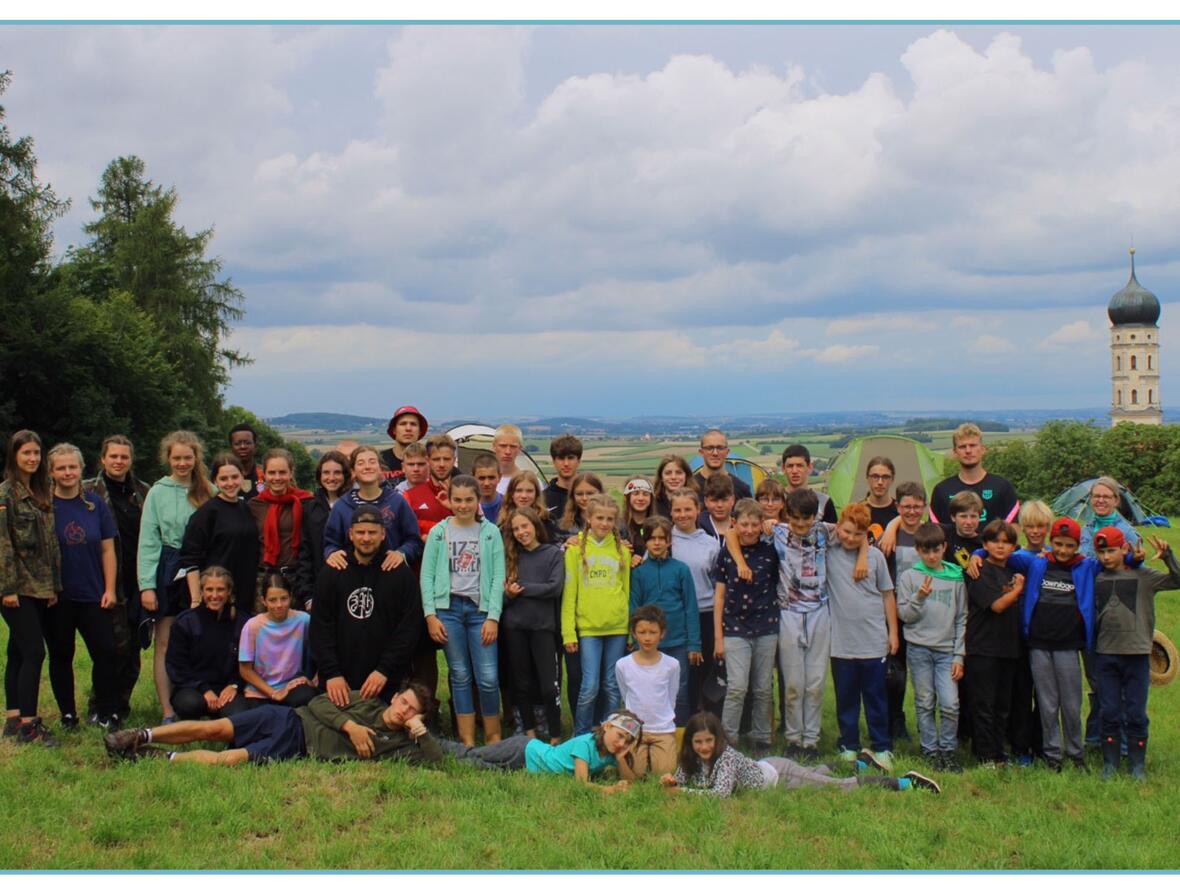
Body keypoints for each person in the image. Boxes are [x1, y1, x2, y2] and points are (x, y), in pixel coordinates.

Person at [105, 682, 441, 766]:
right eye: (404, 702)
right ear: (396, 696)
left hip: (296, 744)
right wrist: (349, 727)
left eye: (412, 712)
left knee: (230, 759)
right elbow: (318, 702)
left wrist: (421, 732)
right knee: (217, 728)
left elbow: (434, 760)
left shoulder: (397, 743)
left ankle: (160, 757)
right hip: (287, 717)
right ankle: (139, 735)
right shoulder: (365, 700)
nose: (403, 711)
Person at [992, 517, 1098, 772]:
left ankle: (1075, 753)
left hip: (1069, 645)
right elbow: (1000, 552)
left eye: (1069, 546)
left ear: (1077, 546)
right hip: (1039, 644)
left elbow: (1113, 561)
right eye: (1058, 544)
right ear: (1051, 542)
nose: (1063, 550)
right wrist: (976, 554)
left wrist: (1133, 558)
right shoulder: (1037, 562)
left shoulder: (1086, 566)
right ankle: (1052, 754)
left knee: (1071, 704)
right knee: (1047, 703)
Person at [660, 712, 940, 796]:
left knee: (837, 789)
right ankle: (862, 762)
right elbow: (681, 779)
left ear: (718, 739)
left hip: (779, 775)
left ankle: (906, 782)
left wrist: (681, 793)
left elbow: (720, 796)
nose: (704, 747)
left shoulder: (727, 756)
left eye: (709, 740)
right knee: (816, 775)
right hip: (767, 767)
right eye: (698, 742)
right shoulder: (693, 759)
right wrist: (671, 781)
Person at [420, 475, 506, 746]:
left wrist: (493, 617)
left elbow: (497, 579)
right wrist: (430, 615)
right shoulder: (439, 532)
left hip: (479, 611)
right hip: (449, 610)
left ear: (477, 501)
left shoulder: (490, 532)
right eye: (457, 500)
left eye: (469, 500)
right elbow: (427, 576)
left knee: (488, 677)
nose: (463, 505)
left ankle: (493, 735)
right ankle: (466, 738)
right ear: (450, 500)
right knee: (459, 673)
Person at [312, 505, 423, 707]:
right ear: (350, 534)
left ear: (383, 534)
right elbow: (320, 627)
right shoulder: (332, 571)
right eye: (360, 532)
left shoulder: (399, 573)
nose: (366, 538)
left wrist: (384, 671)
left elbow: (409, 628)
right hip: (340, 682)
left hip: (386, 680)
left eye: (372, 532)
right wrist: (332, 673)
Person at [1091, 527, 1180, 780]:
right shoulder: (1097, 578)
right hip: (1106, 655)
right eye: (1101, 552)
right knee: (1108, 712)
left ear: (1125, 549)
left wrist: (1168, 556)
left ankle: (1137, 765)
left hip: (1137, 655)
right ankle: (1110, 763)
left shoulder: (1145, 577)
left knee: (1136, 713)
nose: (1106, 557)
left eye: (1111, 551)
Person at [138, 430, 213, 722]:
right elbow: (148, 540)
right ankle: (168, 709)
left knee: (200, 639)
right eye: (177, 458)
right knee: (166, 642)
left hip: (202, 569)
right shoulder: (157, 492)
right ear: (168, 459)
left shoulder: (209, 490)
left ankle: (198, 701)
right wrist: (147, 585)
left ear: (196, 458)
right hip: (168, 568)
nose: (182, 463)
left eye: (187, 458)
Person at [44, 443, 120, 731]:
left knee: (106, 651)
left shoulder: (94, 504)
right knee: (61, 655)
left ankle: (107, 712)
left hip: (93, 593)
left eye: (72, 467)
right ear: (51, 472)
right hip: (57, 596)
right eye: (61, 467)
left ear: (81, 469)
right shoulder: (44, 506)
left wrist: (110, 588)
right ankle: (68, 715)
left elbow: (107, 550)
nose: (67, 472)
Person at [83, 435, 150, 723]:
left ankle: (120, 706)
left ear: (131, 460)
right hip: (102, 581)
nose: (119, 461)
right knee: (109, 648)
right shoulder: (86, 491)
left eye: (124, 456)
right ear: (102, 459)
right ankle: (99, 705)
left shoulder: (144, 492)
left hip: (138, 579)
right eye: (113, 456)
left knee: (134, 648)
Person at [1, 430, 61, 745]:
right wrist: (7, 589)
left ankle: (12, 718)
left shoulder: (41, 492)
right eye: (26, 453)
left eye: (37, 453)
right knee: (35, 651)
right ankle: (29, 725)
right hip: (16, 587)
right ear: (14, 456)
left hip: (40, 586)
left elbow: (50, 545)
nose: (33, 459)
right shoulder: (6, 494)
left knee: (18, 651)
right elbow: (3, 545)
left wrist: (53, 586)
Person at [826, 502, 897, 766]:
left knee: (875, 696)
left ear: (866, 534)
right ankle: (848, 744)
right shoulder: (829, 552)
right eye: (846, 531)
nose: (850, 538)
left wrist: (893, 633)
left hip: (873, 640)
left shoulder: (876, 558)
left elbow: (887, 595)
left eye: (858, 534)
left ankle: (881, 745)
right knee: (846, 697)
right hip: (841, 643)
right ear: (839, 527)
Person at [895, 522, 967, 772]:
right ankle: (929, 749)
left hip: (947, 651)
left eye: (936, 550)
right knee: (925, 701)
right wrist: (919, 597)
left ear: (944, 547)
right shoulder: (909, 577)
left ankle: (948, 749)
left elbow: (961, 617)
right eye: (925, 551)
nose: (931, 556)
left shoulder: (956, 576)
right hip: (919, 649)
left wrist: (959, 655)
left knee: (949, 703)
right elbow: (904, 614)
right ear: (917, 550)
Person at [713, 498, 779, 753]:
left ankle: (763, 739)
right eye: (744, 524)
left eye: (754, 524)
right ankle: (728, 741)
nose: (749, 530)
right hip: (734, 628)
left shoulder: (771, 549)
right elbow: (719, 595)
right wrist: (718, 637)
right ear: (734, 524)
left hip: (766, 626)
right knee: (737, 687)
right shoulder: (726, 553)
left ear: (761, 524)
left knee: (763, 688)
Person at [441, 710, 641, 793]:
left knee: (480, 768)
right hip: (524, 750)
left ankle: (439, 758)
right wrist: (609, 790)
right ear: (606, 726)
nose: (621, 743)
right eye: (620, 735)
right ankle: (436, 746)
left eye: (627, 741)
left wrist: (622, 757)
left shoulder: (612, 751)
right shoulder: (585, 745)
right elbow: (581, 784)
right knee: (474, 755)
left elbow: (631, 781)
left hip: (525, 766)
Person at [562, 493, 630, 736]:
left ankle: (608, 735)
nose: (604, 523)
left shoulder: (623, 551)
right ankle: (580, 736)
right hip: (588, 628)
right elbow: (569, 594)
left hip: (618, 628)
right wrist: (569, 632)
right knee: (589, 686)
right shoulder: (574, 550)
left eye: (609, 519)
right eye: (599, 518)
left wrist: (630, 630)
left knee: (612, 686)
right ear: (588, 518)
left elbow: (627, 591)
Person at [964, 519, 1026, 766]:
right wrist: (1017, 590)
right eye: (995, 541)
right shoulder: (978, 571)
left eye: (1006, 542)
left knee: (1003, 706)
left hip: (1008, 648)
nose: (1000, 547)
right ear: (985, 544)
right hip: (983, 648)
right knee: (984, 705)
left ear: (1013, 547)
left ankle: (999, 753)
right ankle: (984, 755)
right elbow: (997, 606)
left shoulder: (1012, 571)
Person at [500, 506, 564, 743]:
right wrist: (509, 595)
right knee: (521, 684)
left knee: (549, 686)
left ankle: (556, 735)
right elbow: (503, 595)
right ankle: (529, 735)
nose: (520, 532)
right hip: (515, 627)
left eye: (524, 526)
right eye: (515, 529)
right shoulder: (510, 557)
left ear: (535, 526)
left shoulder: (552, 554)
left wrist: (522, 589)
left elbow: (554, 587)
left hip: (543, 628)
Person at [629, 517, 699, 727]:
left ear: (669, 541)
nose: (657, 543)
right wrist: (635, 639)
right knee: (648, 688)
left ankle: (678, 736)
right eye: (652, 539)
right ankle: (649, 731)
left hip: (678, 641)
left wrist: (694, 644)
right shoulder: (639, 572)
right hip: (649, 643)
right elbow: (634, 606)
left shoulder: (681, 570)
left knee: (680, 689)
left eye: (662, 538)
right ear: (646, 542)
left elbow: (691, 608)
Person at [179, 452, 260, 617]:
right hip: (216, 597)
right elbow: (190, 558)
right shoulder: (206, 513)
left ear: (242, 476)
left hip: (245, 594)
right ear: (215, 481)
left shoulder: (247, 509)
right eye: (223, 479)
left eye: (234, 477)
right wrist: (196, 599)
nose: (230, 483)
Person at [165, 566, 250, 720]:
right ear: (202, 591)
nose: (215, 595)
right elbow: (176, 666)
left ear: (229, 591)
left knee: (240, 715)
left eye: (220, 589)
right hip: (194, 688)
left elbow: (250, 663)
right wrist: (204, 690)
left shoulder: (244, 623)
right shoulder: (185, 622)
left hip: (228, 689)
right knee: (190, 704)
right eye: (209, 589)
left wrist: (234, 685)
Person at [324, 445, 423, 571]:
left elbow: (414, 540)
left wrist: (402, 553)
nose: (367, 467)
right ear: (353, 472)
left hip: (390, 576)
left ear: (381, 469)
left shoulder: (397, 502)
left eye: (372, 462)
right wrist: (332, 553)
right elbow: (330, 543)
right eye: (361, 463)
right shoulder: (341, 507)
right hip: (352, 578)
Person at [671, 488, 722, 716]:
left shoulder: (710, 543)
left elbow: (717, 580)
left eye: (688, 509)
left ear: (698, 511)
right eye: (677, 510)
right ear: (671, 512)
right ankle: (685, 716)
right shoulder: (666, 540)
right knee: (683, 671)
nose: (683, 514)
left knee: (705, 669)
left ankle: (707, 720)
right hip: (676, 614)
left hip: (706, 613)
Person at [615, 605, 680, 777]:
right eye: (642, 632)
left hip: (662, 729)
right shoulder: (623, 665)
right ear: (634, 633)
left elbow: (671, 696)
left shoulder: (672, 665)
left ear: (662, 633)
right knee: (633, 774)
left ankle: (660, 754)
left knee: (665, 773)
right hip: (635, 730)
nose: (647, 638)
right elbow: (625, 694)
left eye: (653, 632)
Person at [247, 448, 313, 608]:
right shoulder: (254, 505)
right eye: (272, 472)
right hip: (263, 580)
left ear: (291, 473)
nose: (277, 478)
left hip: (296, 578)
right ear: (265, 474)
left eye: (282, 472)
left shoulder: (306, 502)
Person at [239, 573, 316, 709]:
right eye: (272, 600)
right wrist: (274, 693)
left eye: (284, 599)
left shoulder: (303, 620)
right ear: (263, 601)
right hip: (259, 691)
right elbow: (245, 670)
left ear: (290, 597)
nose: (279, 605)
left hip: (292, 687)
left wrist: (315, 680)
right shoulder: (253, 626)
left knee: (307, 696)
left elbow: (324, 646)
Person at [929, 423, 1019, 528]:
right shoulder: (942, 490)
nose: (968, 451)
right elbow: (934, 535)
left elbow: (1013, 531)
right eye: (962, 447)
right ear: (955, 452)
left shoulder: (1003, 487)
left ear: (982, 449)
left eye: (972, 445)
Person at [293, 450, 351, 611]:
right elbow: (305, 554)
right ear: (319, 475)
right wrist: (307, 595)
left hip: (349, 587)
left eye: (337, 472)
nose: (331, 478)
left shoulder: (354, 506)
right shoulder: (310, 509)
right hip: (318, 588)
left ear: (345, 475)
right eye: (326, 472)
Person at [404, 435, 459, 539]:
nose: (442, 464)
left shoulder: (467, 494)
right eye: (436, 459)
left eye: (446, 459)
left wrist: (456, 508)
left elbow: (478, 527)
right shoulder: (410, 496)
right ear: (428, 460)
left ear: (454, 460)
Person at [1079, 477, 1140, 557]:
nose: (1100, 501)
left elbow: (1138, 566)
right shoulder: (1085, 530)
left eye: (1106, 497)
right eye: (1097, 496)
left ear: (1116, 501)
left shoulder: (1126, 532)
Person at [781, 445, 838, 523]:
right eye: (790, 466)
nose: (794, 471)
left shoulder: (824, 501)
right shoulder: (774, 501)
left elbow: (832, 533)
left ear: (809, 468)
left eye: (799, 466)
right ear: (783, 469)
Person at [379, 405, 430, 484]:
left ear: (420, 431)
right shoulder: (379, 460)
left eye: (413, 424)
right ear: (394, 430)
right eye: (403, 424)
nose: (408, 428)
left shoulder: (431, 460)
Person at [697, 429, 752, 501]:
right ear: (701, 452)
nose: (715, 453)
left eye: (720, 448)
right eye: (709, 448)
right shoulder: (691, 488)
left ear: (727, 452)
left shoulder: (741, 489)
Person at [556, 472, 605, 544]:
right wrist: (565, 545)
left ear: (600, 493)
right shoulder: (562, 526)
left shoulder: (616, 524)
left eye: (590, 493)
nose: (584, 498)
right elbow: (553, 551)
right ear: (572, 496)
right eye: (579, 494)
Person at [543, 434, 583, 521]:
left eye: (570, 458)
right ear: (554, 461)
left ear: (579, 461)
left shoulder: (591, 496)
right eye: (561, 458)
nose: (566, 464)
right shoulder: (542, 499)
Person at [864, 456, 899, 543]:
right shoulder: (857, 511)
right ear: (867, 478)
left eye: (885, 477)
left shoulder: (901, 511)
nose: (880, 482)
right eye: (875, 476)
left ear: (892, 479)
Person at [620, 476, 654, 565]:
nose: (641, 498)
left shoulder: (658, 525)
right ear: (626, 497)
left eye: (645, 494)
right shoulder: (617, 526)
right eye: (636, 493)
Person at [228, 423, 265, 500]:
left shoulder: (266, 475)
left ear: (255, 446)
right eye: (237, 443)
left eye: (247, 443)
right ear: (231, 447)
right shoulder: (223, 477)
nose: (243, 447)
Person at [492, 424, 529, 496]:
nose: (507, 452)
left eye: (513, 446)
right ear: (494, 447)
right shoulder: (483, 482)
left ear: (520, 449)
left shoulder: (531, 482)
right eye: (503, 446)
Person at [699, 473, 736, 541]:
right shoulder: (697, 527)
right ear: (706, 501)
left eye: (724, 500)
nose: (720, 505)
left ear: (733, 500)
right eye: (714, 500)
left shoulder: (742, 527)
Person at [471, 453, 504, 525]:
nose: (486, 483)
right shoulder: (467, 507)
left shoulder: (508, 505)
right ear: (473, 478)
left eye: (491, 478)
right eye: (481, 478)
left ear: (499, 477)